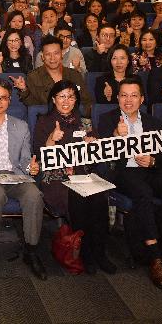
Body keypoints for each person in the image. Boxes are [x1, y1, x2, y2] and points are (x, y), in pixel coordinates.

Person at [98, 77, 162, 290]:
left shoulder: (152, 122)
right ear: (117, 97)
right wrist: (115, 136)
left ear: (142, 99)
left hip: (149, 170)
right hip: (123, 172)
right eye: (123, 95)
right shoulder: (107, 119)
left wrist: (152, 160)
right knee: (143, 193)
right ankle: (155, 256)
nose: (128, 100)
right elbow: (101, 157)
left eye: (133, 96)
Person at [32, 80, 115, 275]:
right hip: (55, 179)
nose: (66, 101)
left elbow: (96, 158)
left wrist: (93, 145)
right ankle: (85, 253)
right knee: (78, 197)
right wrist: (52, 139)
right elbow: (38, 155)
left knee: (100, 197)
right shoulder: (44, 121)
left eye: (70, 96)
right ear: (54, 99)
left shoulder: (85, 122)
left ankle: (100, 252)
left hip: (82, 176)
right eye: (61, 96)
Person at [0, 78, 47, 281]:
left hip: (15, 175)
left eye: (3, 98)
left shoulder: (21, 126)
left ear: (9, 101)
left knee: (34, 194)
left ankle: (31, 251)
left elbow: (25, 159)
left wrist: (30, 167)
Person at [15, 36, 92, 116]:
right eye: (48, 54)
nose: (52, 58)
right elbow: (33, 106)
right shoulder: (33, 76)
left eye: (56, 53)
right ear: (42, 57)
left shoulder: (74, 75)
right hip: (47, 121)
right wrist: (24, 90)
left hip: (74, 119)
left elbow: (86, 101)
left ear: (62, 54)